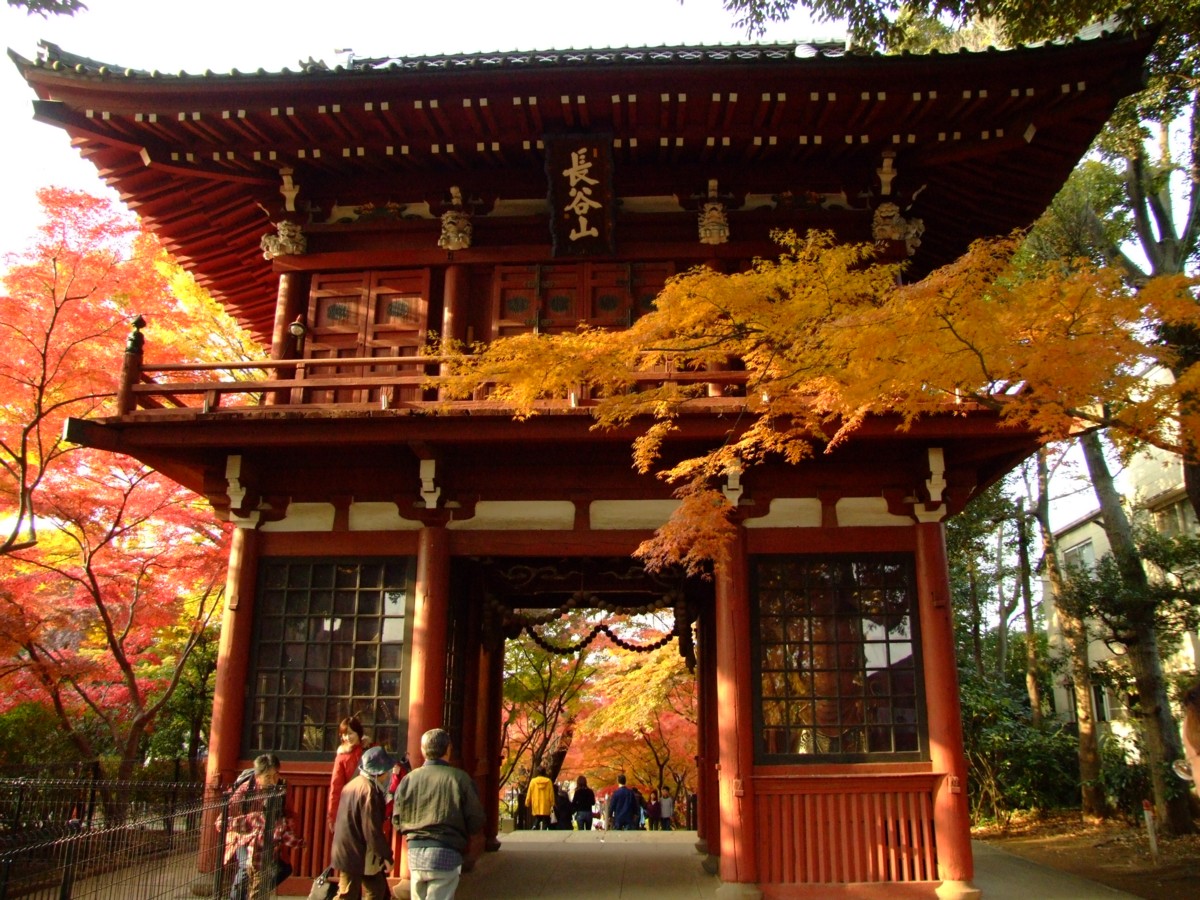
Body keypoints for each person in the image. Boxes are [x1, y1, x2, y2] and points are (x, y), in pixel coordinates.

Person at [394, 728, 485, 900]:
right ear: (448, 749)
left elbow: (397, 818)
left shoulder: (409, 779)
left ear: (423, 750)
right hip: (447, 850)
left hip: (415, 852)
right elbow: (475, 818)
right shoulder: (460, 779)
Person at [222, 754, 300, 900]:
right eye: (268, 777)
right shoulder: (246, 788)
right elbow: (224, 819)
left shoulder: (283, 786)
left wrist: (285, 827)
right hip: (244, 837)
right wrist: (247, 824)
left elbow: (288, 812)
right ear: (258, 777)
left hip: (269, 836)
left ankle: (256, 894)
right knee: (246, 867)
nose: (273, 780)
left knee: (284, 869)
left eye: (276, 774)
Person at [331, 745, 395, 900]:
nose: (388, 775)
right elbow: (372, 830)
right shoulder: (370, 791)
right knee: (349, 894)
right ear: (379, 772)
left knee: (376, 890)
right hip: (357, 851)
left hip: (349, 848)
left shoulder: (353, 784)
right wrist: (386, 856)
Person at [328, 716, 366, 834]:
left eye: (350, 733)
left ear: (358, 733)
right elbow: (336, 787)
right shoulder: (342, 757)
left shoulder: (370, 750)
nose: (347, 737)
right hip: (351, 805)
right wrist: (333, 816)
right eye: (344, 734)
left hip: (368, 803)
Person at [525, 766, 555, 830]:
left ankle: (535, 826)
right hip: (546, 804)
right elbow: (551, 794)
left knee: (538, 816)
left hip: (536, 803)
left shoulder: (533, 781)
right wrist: (552, 803)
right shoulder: (548, 781)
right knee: (546, 818)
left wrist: (527, 802)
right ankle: (546, 829)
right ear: (544, 772)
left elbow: (529, 793)